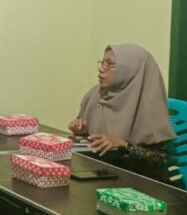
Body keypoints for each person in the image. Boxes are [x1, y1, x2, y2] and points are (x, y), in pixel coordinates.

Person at [68, 44, 176, 182]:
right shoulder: (96, 95)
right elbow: (96, 142)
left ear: (130, 71)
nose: (102, 69)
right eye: (103, 63)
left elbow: (160, 161)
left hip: (140, 182)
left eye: (110, 65)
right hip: (102, 173)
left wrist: (124, 145)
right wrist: (82, 131)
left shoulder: (149, 105)